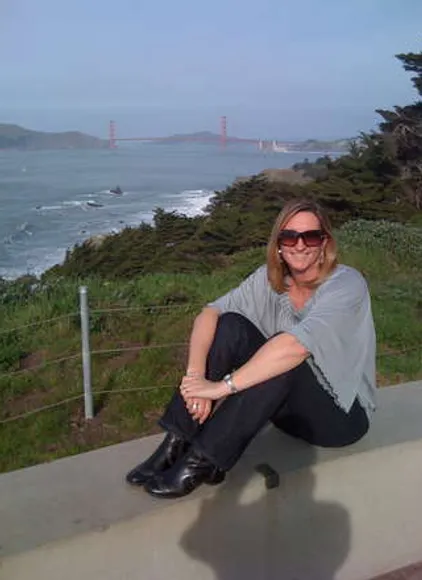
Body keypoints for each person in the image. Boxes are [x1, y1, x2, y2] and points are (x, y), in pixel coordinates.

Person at [126, 198, 377, 499]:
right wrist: (196, 380)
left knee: (282, 355)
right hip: (286, 411)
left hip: (339, 418)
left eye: (310, 236)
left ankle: (202, 461)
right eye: (289, 237)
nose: (300, 245)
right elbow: (209, 314)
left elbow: (294, 347)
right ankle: (176, 442)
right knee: (231, 325)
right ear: (278, 245)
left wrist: (220, 389)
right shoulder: (269, 281)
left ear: (325, 243)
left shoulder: (347, 284)